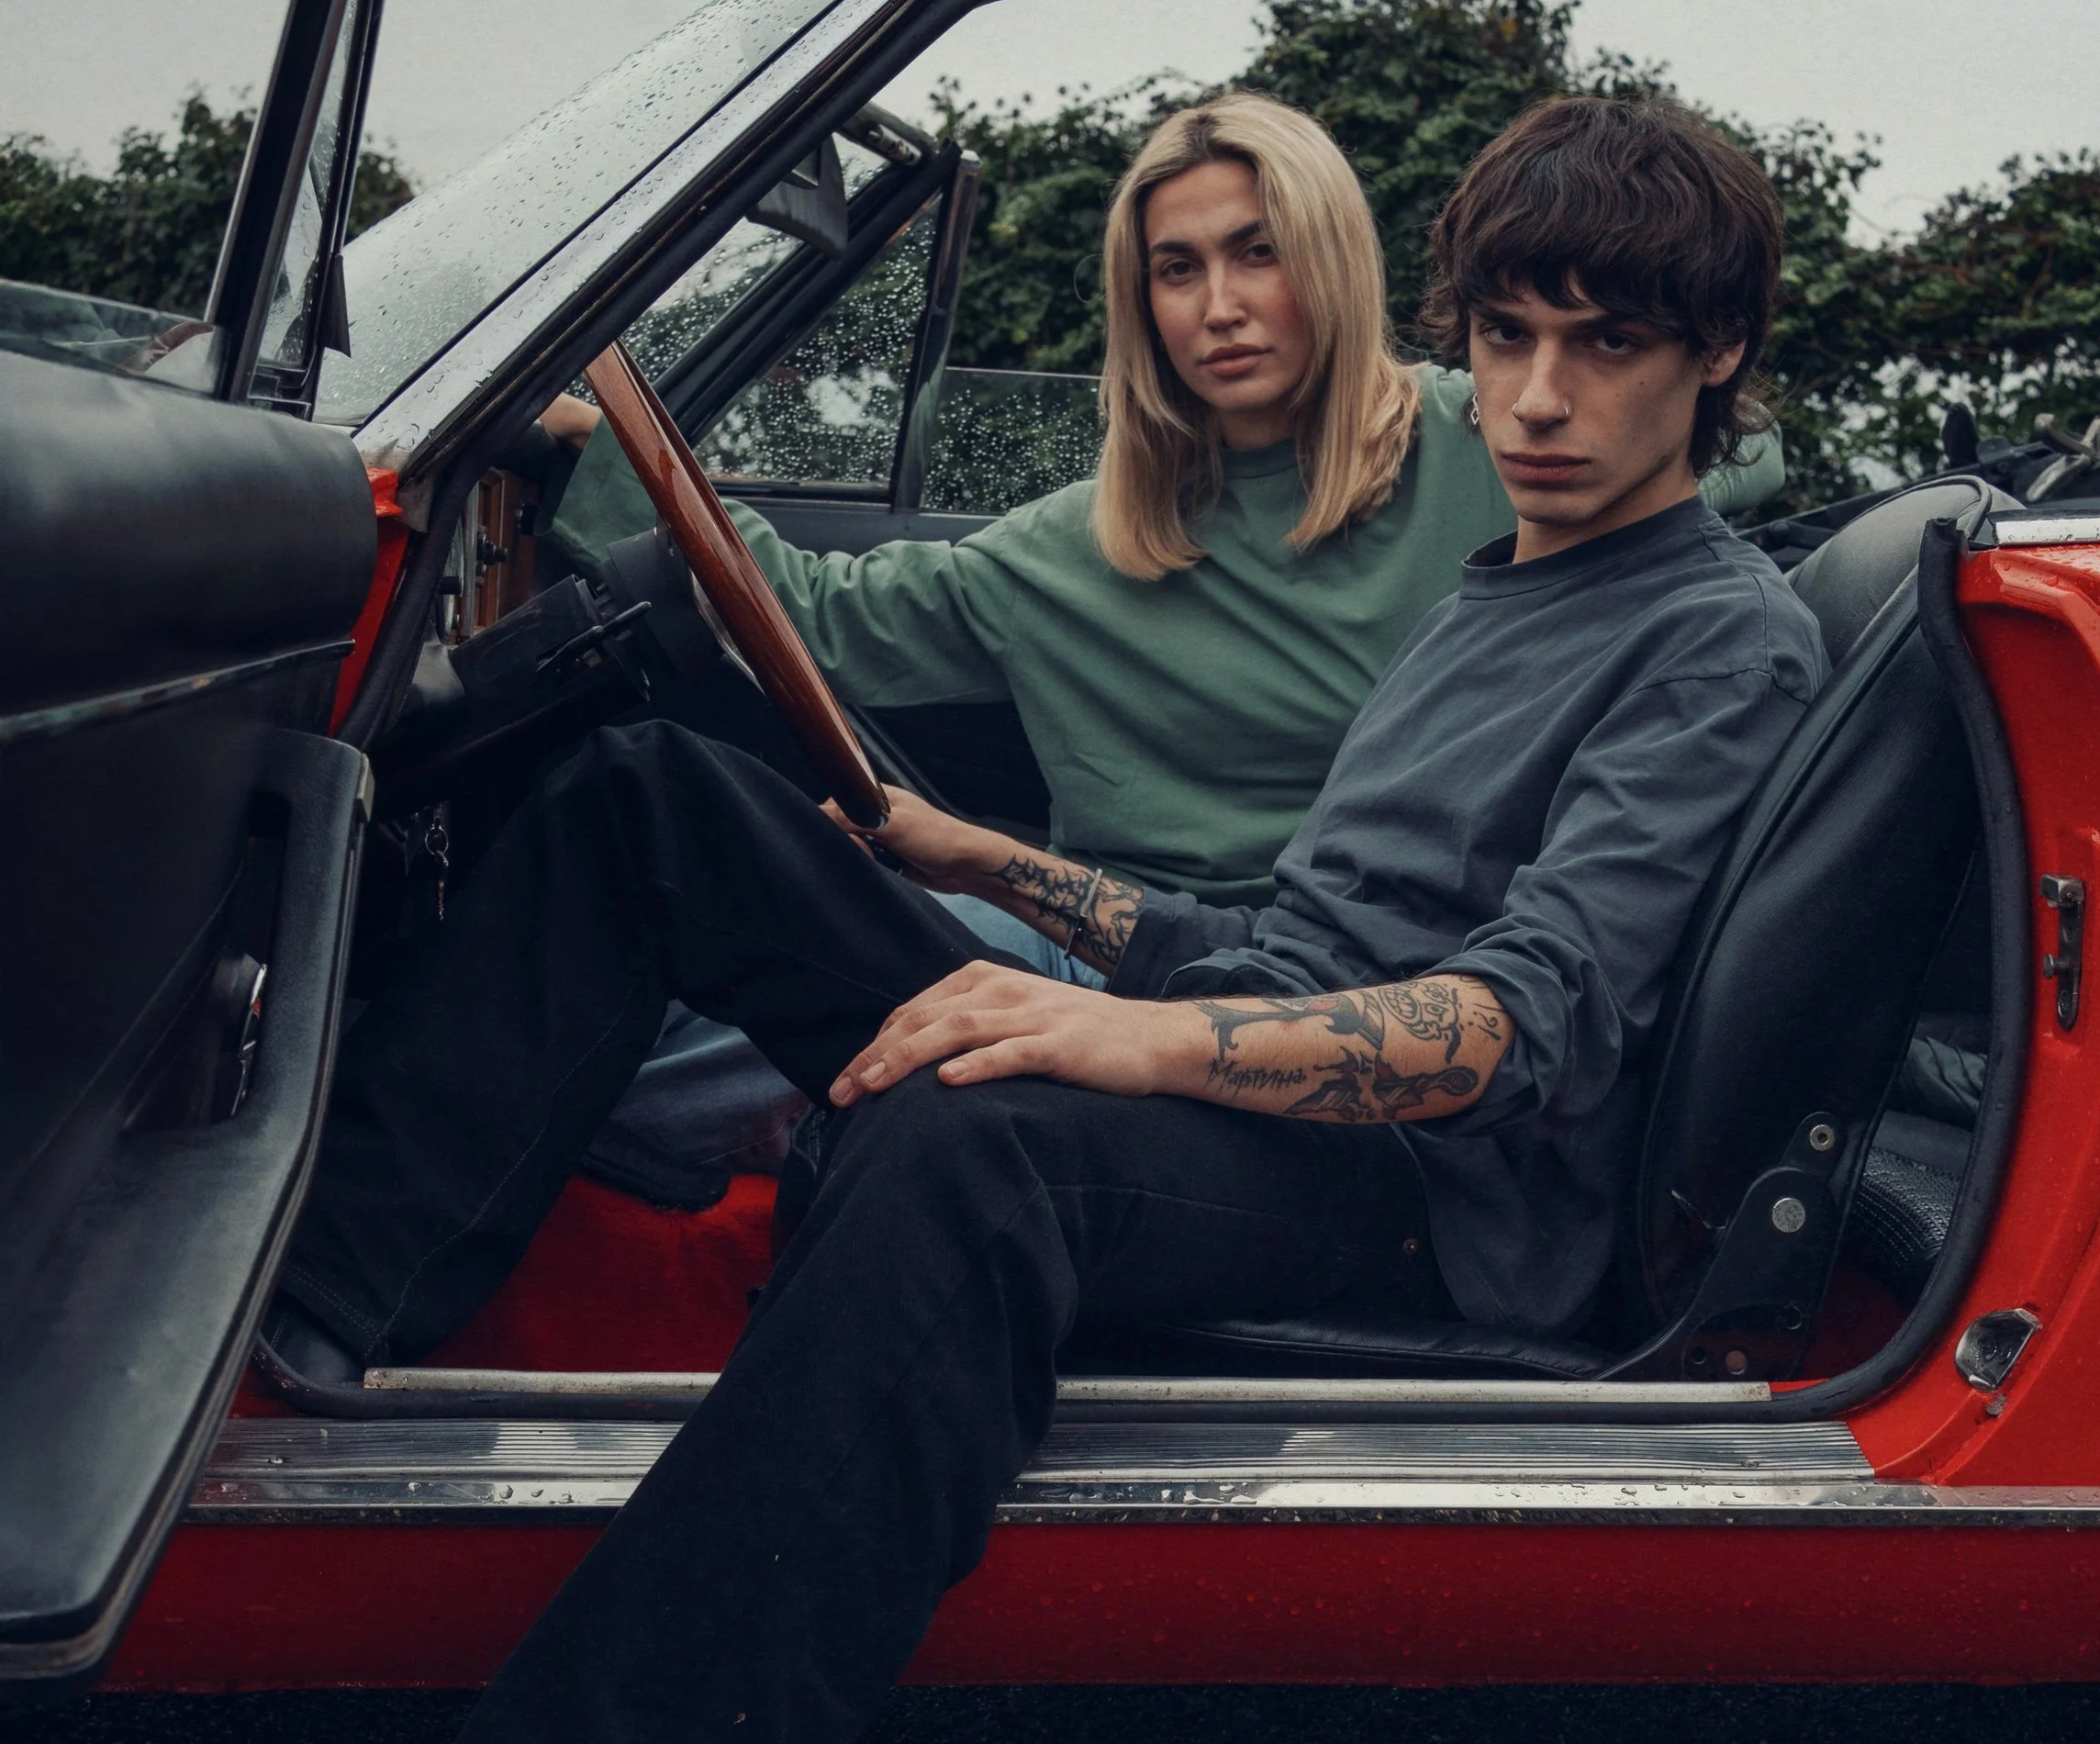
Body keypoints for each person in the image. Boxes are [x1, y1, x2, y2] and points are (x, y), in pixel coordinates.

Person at [82, 94, 1825, 1744]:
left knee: (959, 1142)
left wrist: (1115, 1036)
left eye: (1602, 348)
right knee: (654, 804)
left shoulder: (1707, 635)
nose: (1529, 400)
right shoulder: (1514, 578)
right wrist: (997, 870)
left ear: (1718, 362)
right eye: (1501, 336)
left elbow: (1505, 1030)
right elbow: (1289, 916)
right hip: (1256, 1044)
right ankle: (318, 1323)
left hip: (1420, 1189)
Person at [552, 93, 1783, 1196]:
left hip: (1386, 1017)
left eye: (1262, 253)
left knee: (839, 1016)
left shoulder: (1497, 437)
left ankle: (715, 1150)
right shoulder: (1072, 544)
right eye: (1176, 268)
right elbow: (812, 617)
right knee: (670, 880)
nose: (1223, 306)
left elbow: (1708, 481)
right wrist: (580, 448)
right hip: (1154, 939)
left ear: (1338, 264)